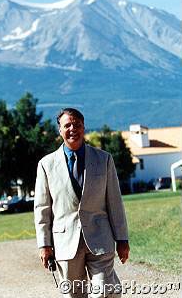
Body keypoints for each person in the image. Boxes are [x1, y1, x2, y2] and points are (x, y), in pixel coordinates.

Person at [34, 108, 129, 298]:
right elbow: (42, 209)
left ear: (84, 128)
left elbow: (115, 202)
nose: (72, 129)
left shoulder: (104, 159)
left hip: (100, 239)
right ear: (60, 130)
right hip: (65, 243)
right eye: (67, 125)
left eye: (77, 125)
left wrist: (122, 239)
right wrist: (44, 245)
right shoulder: (46, 164)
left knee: (102, 291)